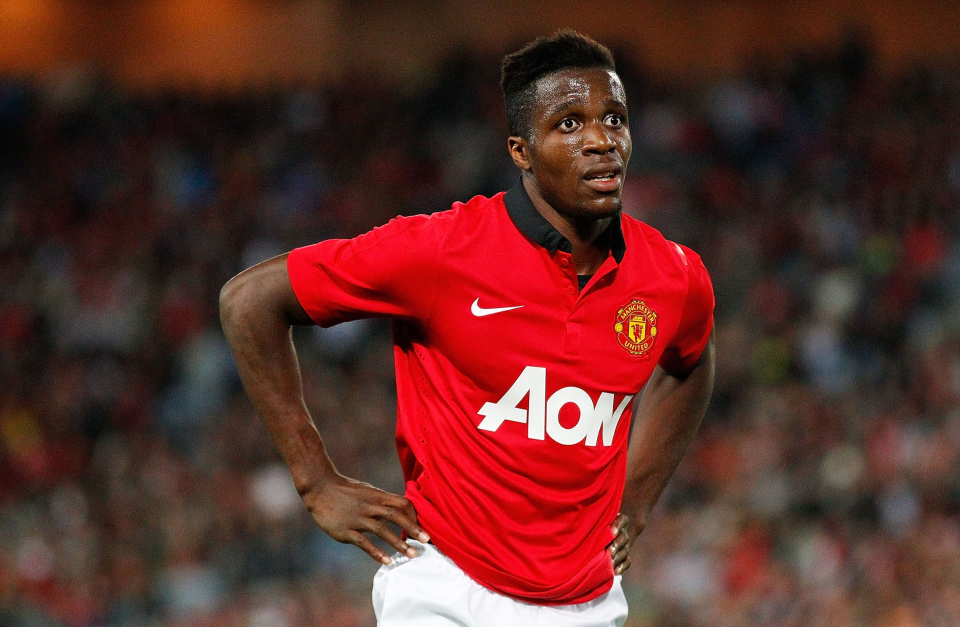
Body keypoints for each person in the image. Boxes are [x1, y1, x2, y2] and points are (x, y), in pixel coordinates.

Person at [220, 30, 715, 627]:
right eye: (569, 124)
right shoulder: (440, 251)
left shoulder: (672, 275)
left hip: (586, 601)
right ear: (521, 151)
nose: (600, 140)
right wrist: (315, 483)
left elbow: (691, 362)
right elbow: (249, 301)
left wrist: (636, 502)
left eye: (614, 119)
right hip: (446, 587)